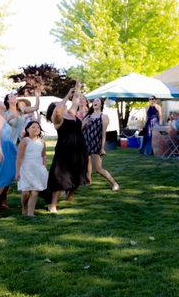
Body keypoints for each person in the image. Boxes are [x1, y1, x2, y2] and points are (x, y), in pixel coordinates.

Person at [46, 85, 89, 213]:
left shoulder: (71, 114)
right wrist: (65, 97)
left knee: (80, 173)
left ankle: (70, 195)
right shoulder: (57, 119)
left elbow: (75, 100)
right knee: (60, 177)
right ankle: (53, 205)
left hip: (79, 149)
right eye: (58, 104)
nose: (61, 104)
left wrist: (77, 88)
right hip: (64, 151)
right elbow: (58, 110)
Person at [82, 98, 120, 191]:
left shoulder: (104, 117)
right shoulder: (88, 116)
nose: (95, 102)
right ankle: (88, 181)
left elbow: (103, 134)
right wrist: (84, 123)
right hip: (85, 143)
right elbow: (80, 129)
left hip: (96, 144)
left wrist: (102, 148)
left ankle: (115, 184)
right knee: (87, 164)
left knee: (99, 169)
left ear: (101, 105)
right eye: (94, 101)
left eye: (98, 101)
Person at [15, 120, 48, 217]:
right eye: (33, 127)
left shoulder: (42, 141)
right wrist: (17, 171)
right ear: (28, 129)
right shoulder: (25, 141)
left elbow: (44, 155)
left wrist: (44, 167)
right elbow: (19, 157)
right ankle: (24, 207)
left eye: (37, 127)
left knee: (35, 192)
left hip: (37, 169)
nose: (36, 129)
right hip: (25, 169)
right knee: (25, 192)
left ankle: (31, 213)